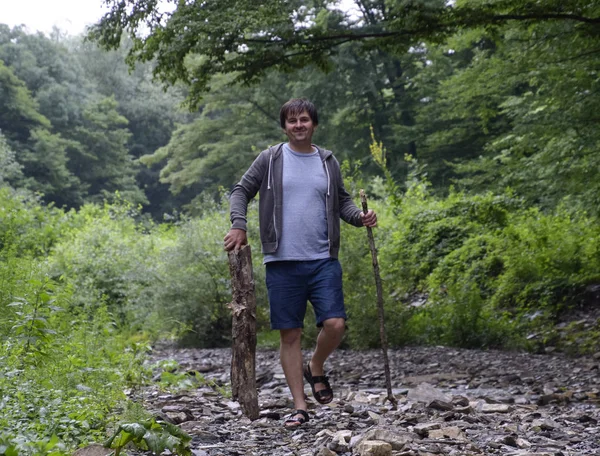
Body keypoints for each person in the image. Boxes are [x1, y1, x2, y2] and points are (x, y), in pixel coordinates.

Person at [224, 98, 377, 428]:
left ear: (314, 124)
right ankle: (300, 406)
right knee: (290, 335)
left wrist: (359, 217)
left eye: (304, 119)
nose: (298, 125)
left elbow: (342, 201)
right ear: (284, 126)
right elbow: (240, 191)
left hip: (322, 258)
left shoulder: (327, 161)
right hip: (281, 261)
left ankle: (316, 366)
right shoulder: (271, 159)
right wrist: (239, 223)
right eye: (292, 121)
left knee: (335, 324)